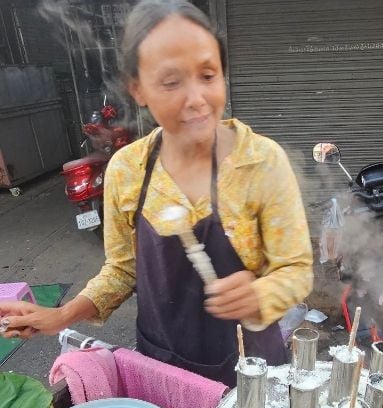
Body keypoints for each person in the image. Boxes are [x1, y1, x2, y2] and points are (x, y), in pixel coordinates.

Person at [0, 0, 313, 387]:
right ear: (138, 88)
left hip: (250, 366)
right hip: (162, 364)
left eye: (208, 75)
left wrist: (262, 293)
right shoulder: (128, 170)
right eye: (171, 82)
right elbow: (122, 269)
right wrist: (60, 316)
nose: (196, 97)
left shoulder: (261, 162)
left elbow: (296, 270)